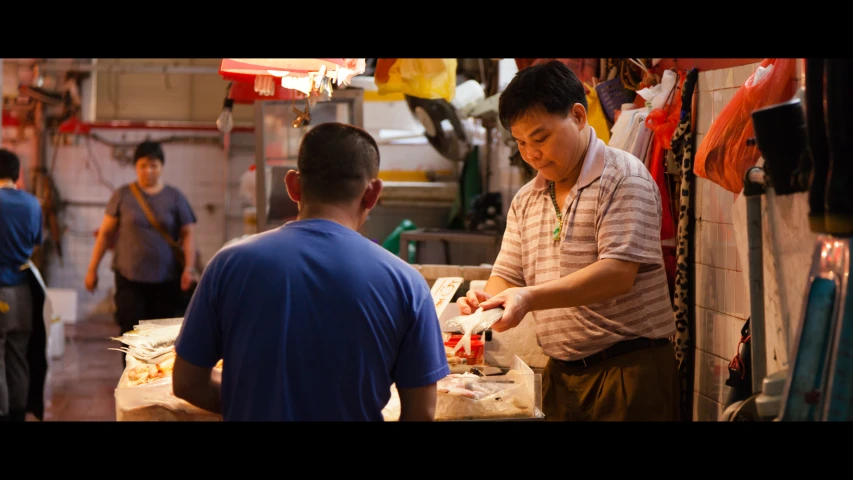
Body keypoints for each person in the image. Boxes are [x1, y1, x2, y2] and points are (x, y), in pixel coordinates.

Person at [172, 122, 450, 421]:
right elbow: (421, 412)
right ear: (373, 193)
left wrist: (253, 402)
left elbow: (188, 383)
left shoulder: (228, 265)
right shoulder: (407, 284)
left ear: (292, 185)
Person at [457, 61, 678, 422]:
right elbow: (507, 275)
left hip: (627, 371)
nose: (531, 154)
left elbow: (617, 274)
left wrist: (527, 298)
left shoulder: (623, 178)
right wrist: (487, 303)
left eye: (540, 138)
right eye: (521, 142)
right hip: (562, 373)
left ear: (577, 116)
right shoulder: (527, 198)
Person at [84, 140, 198, 365]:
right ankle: (131, 383)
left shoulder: (175, 197)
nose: (148, 171)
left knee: (161, 338)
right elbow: (105, 234)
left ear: (162, 167)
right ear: (136, 167)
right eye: (143, 166)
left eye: (154, 165)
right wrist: (92, 269)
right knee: (130, 332)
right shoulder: (123, 196)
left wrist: (189, 268)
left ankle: (155, 387)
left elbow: (188, 234)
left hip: (166, 281)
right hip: (129, 278)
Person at [0, 149, 45, 422]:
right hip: (24, 293)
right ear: (18, 174)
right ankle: (17, 414)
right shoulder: (32, 204)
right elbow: (36, 242)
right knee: (18, 356)